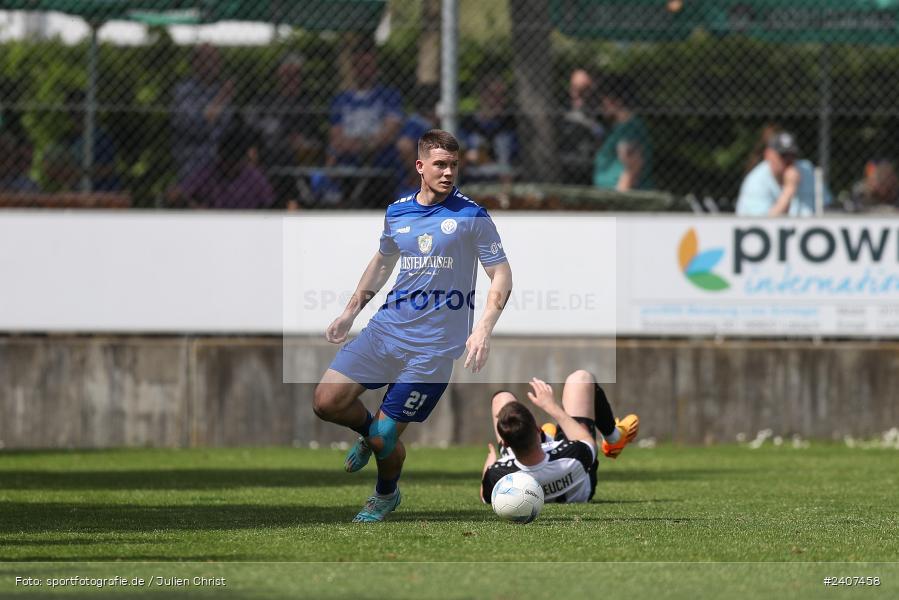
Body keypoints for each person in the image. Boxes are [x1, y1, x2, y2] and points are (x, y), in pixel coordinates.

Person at [313, 129, 513, 523]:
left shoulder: (472, 216)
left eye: (453, 165)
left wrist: (484, 327)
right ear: (420, 166)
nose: (448, 172)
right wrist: (351, 311)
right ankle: (369, 435)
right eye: (440, 164)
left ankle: (385, 494)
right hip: (386, 330)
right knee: (326, 402)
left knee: (385, 437)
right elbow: (382, 263)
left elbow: (502, 274)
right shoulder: (397, 212)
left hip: (433, 348)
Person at [481, 371, 639, 504]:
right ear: (537, 430)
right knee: (580, 378)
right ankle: (614, 439)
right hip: (573, 477)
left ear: (505, 444)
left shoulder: (496, 474)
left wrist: (489, 466)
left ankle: (549, 437)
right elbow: (587, 442)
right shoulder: (574, 456)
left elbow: (485, 495)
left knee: (501, 398)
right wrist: (551, 406)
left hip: (528, 464)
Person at [327, 45, 404, 206]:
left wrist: (364, 145)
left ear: (375, 67)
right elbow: (336, 136)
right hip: (348, 160)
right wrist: (357, 146)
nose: (363, 70)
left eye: (367, 65)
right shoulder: (340, 99)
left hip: (380, 160)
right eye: (359, 65)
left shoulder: (388, 95)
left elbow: (391, 131)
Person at [247, 53, 323, 209]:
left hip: (297, 166)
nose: (291, 79)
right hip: (267, 163)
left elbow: (318, 142)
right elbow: (251, 131)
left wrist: (304, 144)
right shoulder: (265, 102)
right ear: (279, 76)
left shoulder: (307, 105)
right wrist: (252, 150)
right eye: (287, 75)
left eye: (295, 75)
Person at [167, 120, 274, 209]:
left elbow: (271, 203)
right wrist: (194, 206)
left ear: (243, 160)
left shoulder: (254, 177)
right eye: (227, 160)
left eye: (235, 161)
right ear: (220, 156)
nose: (230, 166)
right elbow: (174, 194)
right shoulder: (208, 171)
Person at [171, 44, 234, 182]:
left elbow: (227, 127)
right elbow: (194, 126)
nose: (213, 64)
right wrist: (220, 100)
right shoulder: (184, 91)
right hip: (193, 162)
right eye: (207, 59)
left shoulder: (221, 89)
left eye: (216, 60)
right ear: (195, 63)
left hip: (224, 165)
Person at [736, 128, 830, 217]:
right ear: (768, 155)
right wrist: (789, 189)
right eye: (783, 155)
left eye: (792, 154)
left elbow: (827, 207)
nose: (788, 160)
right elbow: (764, 224)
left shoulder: (807, 170)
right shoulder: (756, 181)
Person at [593, 74, 653, 191]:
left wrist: (619, 196)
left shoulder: (629, 127)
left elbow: (633, 166)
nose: (600, 105)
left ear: (615, 100)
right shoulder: (620, 127)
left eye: (602, 100)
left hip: (621, 196)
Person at [459, 75, 518, 182]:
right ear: (482, 96)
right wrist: (468, 156)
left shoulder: (510, 123)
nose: (501, 100)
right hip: (473, 178)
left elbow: (515, 158)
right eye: (494, 95)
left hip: (503, 179)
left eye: (503, 95)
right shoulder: (468, 124)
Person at [559, 69, 604, 185]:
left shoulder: (601, 112)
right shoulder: (562, 112)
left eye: (584, 89)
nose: (577, 93)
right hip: (567, 170)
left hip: (593, 170)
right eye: (574, 88)